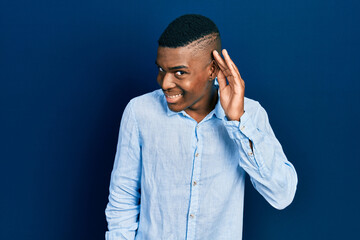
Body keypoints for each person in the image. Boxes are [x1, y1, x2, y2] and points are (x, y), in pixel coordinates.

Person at [105, 14, 297, 240]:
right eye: (161, 70)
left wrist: (237, 122)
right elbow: (123, 199)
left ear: (213, 70)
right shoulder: (139, 112)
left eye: (179, 72)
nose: (165, 83)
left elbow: (282, 195)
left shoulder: (250, 115)